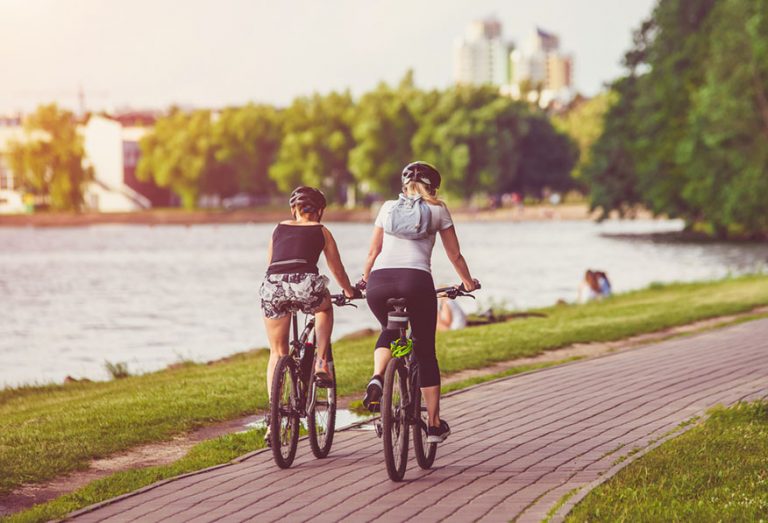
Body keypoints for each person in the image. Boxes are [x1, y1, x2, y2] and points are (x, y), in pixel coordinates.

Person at [359, 161, 478, 444]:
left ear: (403, 185)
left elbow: (373, 252)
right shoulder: (438, 209)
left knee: (390, 330)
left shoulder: (387, 208)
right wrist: (468, 282)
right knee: (424, 350)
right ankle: (434, 425)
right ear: (434, 186)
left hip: (380, 283)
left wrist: (365, 281)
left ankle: (378, 376)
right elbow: (454, 255)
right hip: (416, 281)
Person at [259, 186, 357, 400]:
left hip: (273, 287)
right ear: (319, 211)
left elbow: (271, 265)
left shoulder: (278, 229)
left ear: (293, 209)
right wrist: (349, 291)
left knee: (276, 352)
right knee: (325, 308)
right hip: (304, 285)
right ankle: (321, 361)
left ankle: (272, 420)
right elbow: (337, 269)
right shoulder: (321, 230)